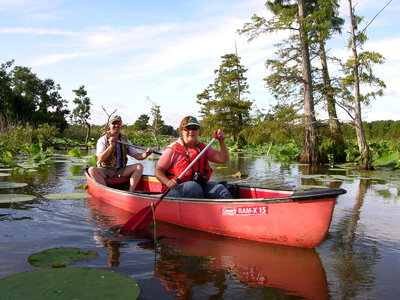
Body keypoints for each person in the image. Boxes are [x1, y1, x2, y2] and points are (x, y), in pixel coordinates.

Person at [155, 116, 232, 199]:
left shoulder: (202, 148)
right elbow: (158, 171)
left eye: (195, 128)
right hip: (175, 189)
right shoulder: (172, 149)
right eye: (187, 128)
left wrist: (221, 141)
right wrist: (168, 182)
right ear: (182, 131)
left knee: (221, 189)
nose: (191, 131)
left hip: (198, 186)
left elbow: (223, 158)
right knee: (193, 187)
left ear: (198, 131)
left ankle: (229, 210)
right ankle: (201, 210)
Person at [88, 114, 153, 191]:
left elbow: (138, 156)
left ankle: (130, 191)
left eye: (118, 123)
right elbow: (100, 159)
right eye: (114, 123)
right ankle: (106, 191)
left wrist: (147, 154)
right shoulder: (102, 140)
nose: (116, 125)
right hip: (105, 170)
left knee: (139, 167)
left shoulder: (125, 140)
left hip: (120, 170)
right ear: (109, 124)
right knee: (92, 170)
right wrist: (111, 146)